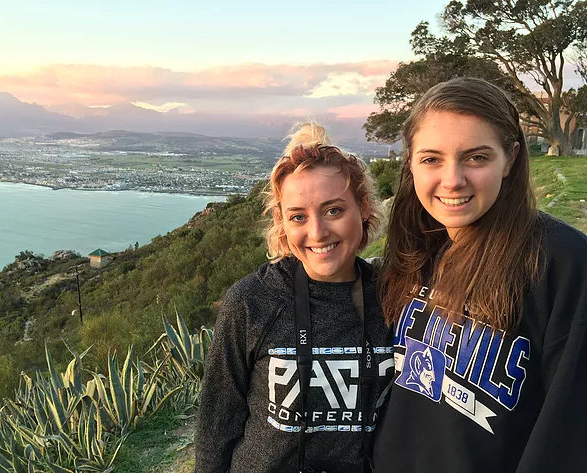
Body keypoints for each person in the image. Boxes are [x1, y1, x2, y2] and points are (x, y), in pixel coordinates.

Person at [372, 77, 587, 473]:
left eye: (476, 157)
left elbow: (568, 435)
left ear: (511, 159)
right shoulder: (418, 249)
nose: (452, 180)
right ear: (412, 164)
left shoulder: (562, 263)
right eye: (431, 159)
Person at [195, 123, 394, 473]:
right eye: (298, 217)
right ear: (283, 224)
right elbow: (217, 424)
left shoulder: (392, 297)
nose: (317, 232)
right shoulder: (252, 300)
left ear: (363, 208)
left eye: (333, 210)